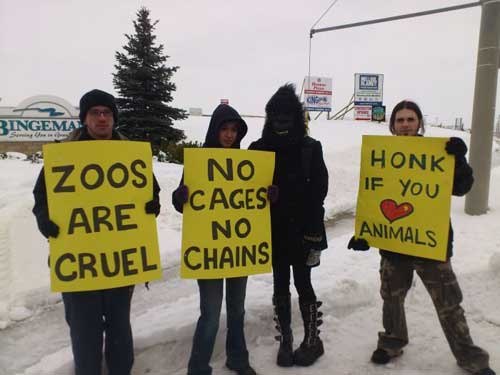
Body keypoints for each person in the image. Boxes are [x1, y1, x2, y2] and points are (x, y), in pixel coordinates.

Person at [348, 100, 496, 375]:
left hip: (431, 243)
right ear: (392, 125)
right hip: (394, 244)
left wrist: (459, 161)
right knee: (391, 297)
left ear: (419, 123)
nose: (405, 124)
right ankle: (392, 341)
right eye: (400, 120)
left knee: (449, 303)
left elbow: (462, 187)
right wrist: (365, 234)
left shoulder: (437, 154)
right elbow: (373, 195)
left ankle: (469, 356)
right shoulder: (382, 155)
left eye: (410, 119)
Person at [32, 89, 161, 375]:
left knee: (119, 329)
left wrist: (153, 203)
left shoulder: (130, 154)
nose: (102, 118)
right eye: (95, 113)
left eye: (107, 113)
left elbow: (151, 190)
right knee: (84, 332)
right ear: (84, 118)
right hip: (80, 261)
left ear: (114, 118)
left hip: (119, 262)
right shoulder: (64, 155)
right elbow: (41, 196)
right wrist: (44, 218)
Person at [172, 103, 257, 375]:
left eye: (234, 130)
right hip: (209, 251)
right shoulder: (200, 161)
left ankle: (238, 358)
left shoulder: (248, 165)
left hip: (238, 250)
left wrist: (268, 195)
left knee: (237, 311)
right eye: (224, 129)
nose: (230, 135)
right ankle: (197, 367)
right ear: (215, 130)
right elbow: (180, 200)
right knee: (209, 314)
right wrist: (180, 196)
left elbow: (255, 201)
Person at [248, 84, 329, 367]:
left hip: (305, 230)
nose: (281, 120)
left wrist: (314, 232)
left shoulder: (310, 148)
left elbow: (319, 191)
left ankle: (312, 341)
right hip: (272, 231)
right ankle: (286, 340)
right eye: (276, 114)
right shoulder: (257, 150)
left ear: (296, 116)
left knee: (303, 282)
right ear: (269, 117)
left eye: (287, 114)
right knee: (280, 283)